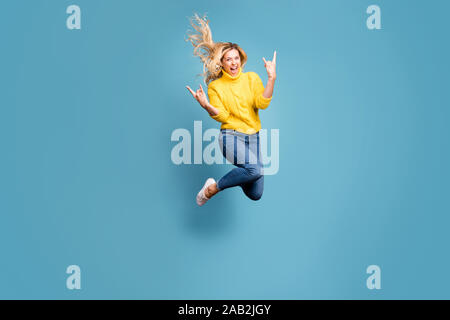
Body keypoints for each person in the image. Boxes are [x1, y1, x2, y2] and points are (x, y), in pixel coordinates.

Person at [185, 14, 277, 206]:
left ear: (241, 60)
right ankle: (212, 189)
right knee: (255, 170)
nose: (233, 62)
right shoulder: (216, 86)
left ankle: (240, 175)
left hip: (253, 138)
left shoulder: (251, 78)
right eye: (228, 59)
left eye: (236, 58)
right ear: (222, 63)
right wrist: (206, 106)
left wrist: (271, 79)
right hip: (230, 137)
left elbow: (262, 103)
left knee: (255, 193)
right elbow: (223, 115)